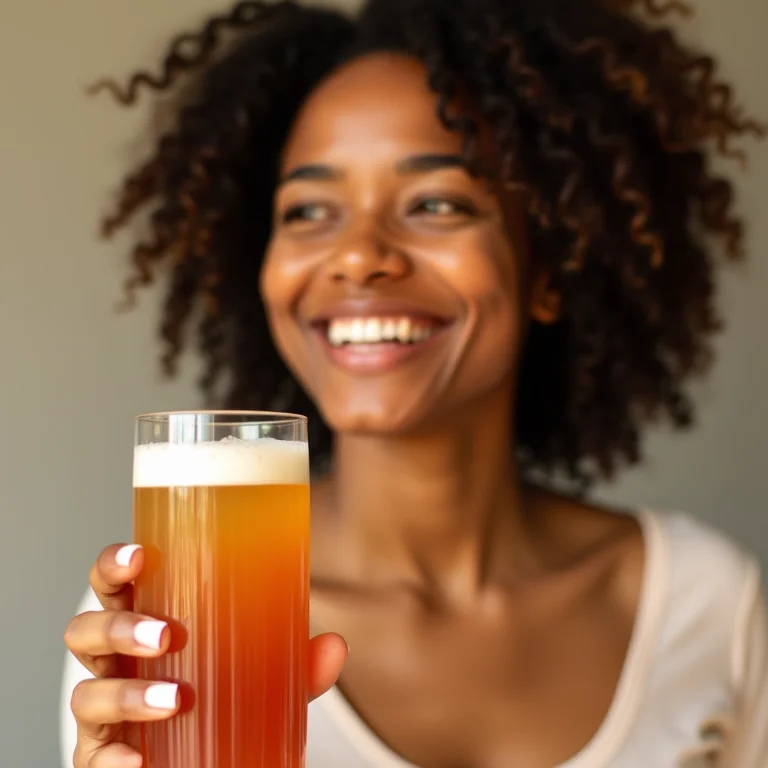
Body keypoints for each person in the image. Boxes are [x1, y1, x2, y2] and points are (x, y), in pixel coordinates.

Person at [61, 0, 768, 766]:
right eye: (309, 210)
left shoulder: (709, 604)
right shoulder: (162, 634)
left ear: (549, 270)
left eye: (436, 203)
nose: (359, 255)